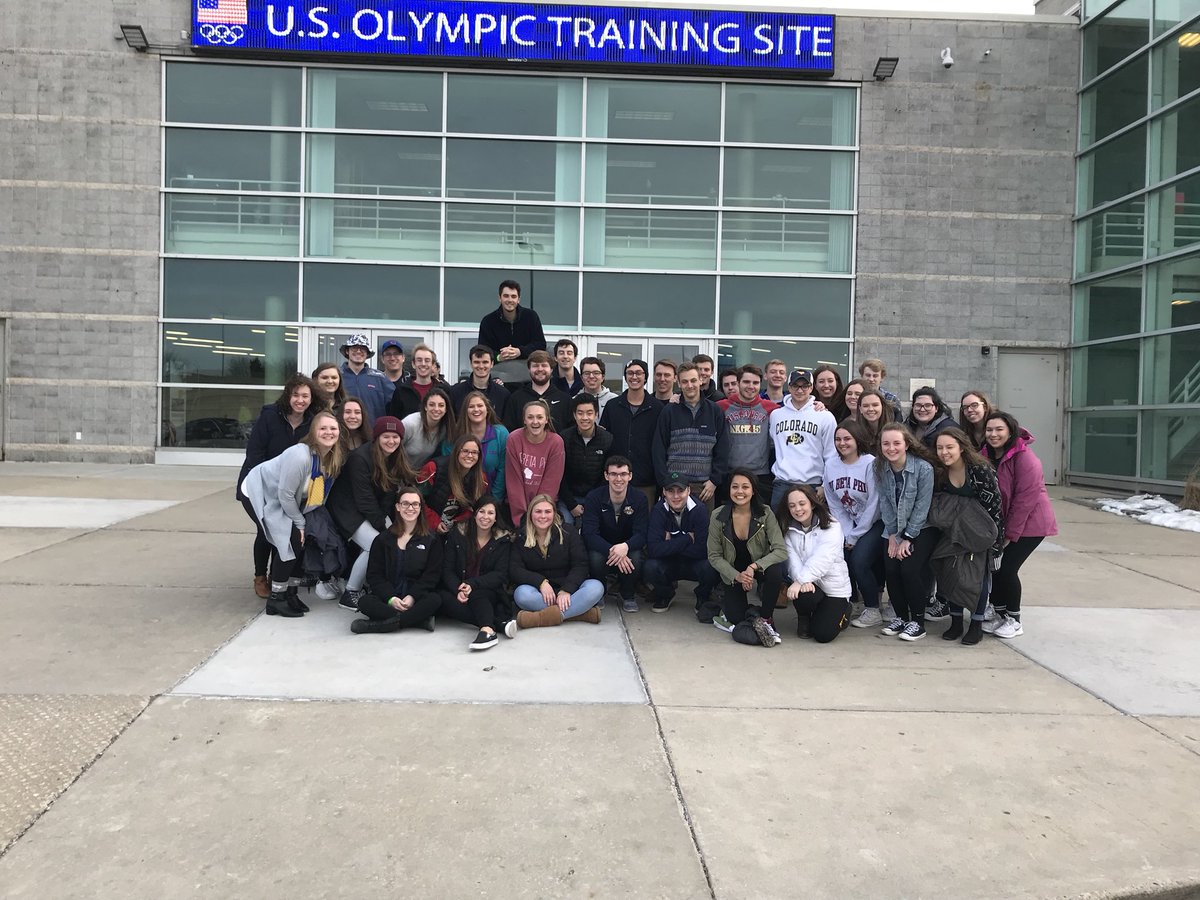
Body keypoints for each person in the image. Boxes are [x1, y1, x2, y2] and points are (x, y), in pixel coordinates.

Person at [240, 410, 345, 618]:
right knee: (290, 540)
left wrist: (305, 521)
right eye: (322, 428)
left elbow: (318, 494)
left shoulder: (333, 457)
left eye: (333, 428)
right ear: (313, 432)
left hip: (291, 501)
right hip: (260, 492)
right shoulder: (300, 455)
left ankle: (291, 592)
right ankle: (276, 599)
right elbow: (285, 495)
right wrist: (300, 524)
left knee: (301, 542)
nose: (328, 432)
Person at [326, 415, 419, 611]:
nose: (391, 441)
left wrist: (387, 522)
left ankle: (367, 583)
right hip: (347, 509)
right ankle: (350, 592)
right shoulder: (359, 458)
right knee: (375, 544)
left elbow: (388, 492)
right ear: (376, 437)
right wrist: (381, 525)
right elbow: (364, 499)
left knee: (387, 538)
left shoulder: (395, 457)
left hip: (369, 508)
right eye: (386, 436)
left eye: (395, 437)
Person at [237, 374, 316, 599]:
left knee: (285, 531)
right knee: (267, 530)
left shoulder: (311, 422)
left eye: (305, 396)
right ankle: (260, 576)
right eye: (296, 395)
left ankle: (277, 576)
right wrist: (271, 484)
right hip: (258, 484)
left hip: (288, 488)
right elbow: (254, 453)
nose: (300, 400)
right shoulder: (271, 416)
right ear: (288, 396)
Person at [982, 411, 1058, 639]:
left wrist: (1009, 534)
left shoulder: (1025, 458)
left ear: (1010, 431)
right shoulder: (985, 455)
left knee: (1006, 568)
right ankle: (999, 613)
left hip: (1031, 524)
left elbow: (1025, 500)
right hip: (1003, 524)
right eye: (989, 430)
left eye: (999, 430)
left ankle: (1014, 619)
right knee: (994, 567)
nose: (993, 434)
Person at [931, 427, 1004, 645]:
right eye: (940, 448)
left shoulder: (980, 470)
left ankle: (976, 624)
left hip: (979, 533)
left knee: (976, 579)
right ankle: (955, 622)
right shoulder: (940, 472)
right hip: (952, 532)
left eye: (950, 447)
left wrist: (996, 545)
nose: (944, 452)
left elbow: (995, 509)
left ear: (962, 447)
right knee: (951, 574)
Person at [707, 469, 788, 647]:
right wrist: (737, 575)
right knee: (737, 618)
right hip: (733, 572)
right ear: (729, 490)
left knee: (776, 570)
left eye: (745, 487)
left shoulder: (765, 513)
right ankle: (736, 613)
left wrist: (753, 567)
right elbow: (713, 556)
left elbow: (781, 550)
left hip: (758, 567)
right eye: (735, 487)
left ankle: (766, 618)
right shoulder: (718, 516)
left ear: (753, 491)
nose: (740, 491)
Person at [349, 488, 443, 634]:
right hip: (388, 600)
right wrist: (391, 598)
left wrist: (412, 597)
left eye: (415, 504)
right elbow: (374, 576)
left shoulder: (432, 539)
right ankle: (417, 620)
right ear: (398, 507)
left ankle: (378, 625)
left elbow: (432, 576)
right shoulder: (382, 540)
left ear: (420, 508)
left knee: (435, 600)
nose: (410, 508)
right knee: (364, 602)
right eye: (405, 503)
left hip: (416, 599)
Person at [875, 423, 937, 641]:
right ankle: (901, 617)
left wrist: (907, 538)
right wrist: (893, 535)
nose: (891, 448)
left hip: (921, 529)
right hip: (893, 529)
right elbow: (885, 502)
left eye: (896, 443)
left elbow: (922, 506)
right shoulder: (880, 467)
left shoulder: (923, 469)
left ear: (907, 444)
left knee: (909, 571)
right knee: (891, 569)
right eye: (886, 443)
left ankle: (917, 622)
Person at [825, 421, 887, 629]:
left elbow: (874, 504)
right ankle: (853, 601)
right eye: (838, 439)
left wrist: (855, 535)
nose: (842, 443)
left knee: (860, 560)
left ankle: (872, 609)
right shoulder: (831, 465)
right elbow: (835, 504)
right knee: (843, 556)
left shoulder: (871, 463)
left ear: (857, 439)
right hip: (848, 523)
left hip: (876, 522)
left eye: (847, 438)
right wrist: (845, 533)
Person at [509, 495, 604, 627]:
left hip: (569, 590)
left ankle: (540, 618)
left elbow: (580, 565)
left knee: (596, 587)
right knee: (521, 595)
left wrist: (567, 590)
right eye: (538, 511)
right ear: (531, 513)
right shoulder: (521, 536)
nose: (543, 516)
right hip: (539, 593)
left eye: (547, 511)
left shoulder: (568, 532)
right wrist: (541, 582)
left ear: (554, 513)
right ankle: (579, 613)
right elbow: (515, 569)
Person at [440, 497, 517, 651]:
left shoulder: (502, 540)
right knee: (441, 598)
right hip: (461, 589)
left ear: (496, 518)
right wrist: (458, 589)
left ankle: (487, 631)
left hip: (489, 591)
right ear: (474, 514)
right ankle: (498, 625)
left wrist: (472, 585)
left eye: (490, 513)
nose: (485, 517)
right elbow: (447, 569)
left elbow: (500, 574)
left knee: (477, 595)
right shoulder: (458, 534)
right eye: (481, 511)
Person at [780, 485, 853, 643]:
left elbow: (823, 559)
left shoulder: (832, 525)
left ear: (812, 503)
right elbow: (792, 561)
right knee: (802, 594)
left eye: (802, 503)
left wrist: (800, 581)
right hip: (810, 586)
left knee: (822, 635)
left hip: (834, 589)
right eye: (792, 506)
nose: (797, 509)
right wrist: (802, 581)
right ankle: (804, 617)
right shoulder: (789, 529)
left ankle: (844, 611)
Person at [652, 361, 729, 504]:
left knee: (703, 526)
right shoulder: (669, 411)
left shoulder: (715, 411)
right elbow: (658, 449)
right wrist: (665, 482)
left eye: (693, 380)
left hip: (705, 488)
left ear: (700, 380)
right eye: (685, 381)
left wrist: (714, 481)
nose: (690, 385)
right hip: (674, 487)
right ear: (679, 384)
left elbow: (723, 449)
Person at [581, 456, 648, 613]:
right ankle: (599, 593)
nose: (619, 479)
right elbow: (589, 534)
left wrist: (626, 547)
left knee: (636, 557)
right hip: (602, 546)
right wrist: (613, 550)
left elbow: (642, 533)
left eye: (623, 474)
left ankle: (628, 595)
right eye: (614, 474)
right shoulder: (594, 497)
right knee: (595, 557)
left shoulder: (639, 498)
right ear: (606, 476)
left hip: (628, 546)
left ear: (630, 476)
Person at [644, 474, 718, 615]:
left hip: (694, 563)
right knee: (650, 566)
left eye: (680, 491)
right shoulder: (658, 510)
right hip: (669, 563)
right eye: (671, 491)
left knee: (711, 565)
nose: (676, 496)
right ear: (664, 492)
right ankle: (666, 594)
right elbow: (653, 549)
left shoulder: (700, 510)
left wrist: (669, 543)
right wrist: (687, 539)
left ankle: (703, 596)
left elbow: (703, 550)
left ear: (688, 491)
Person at [768, 368, 837, 508]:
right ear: (789, 387)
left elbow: (832, 454)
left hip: (812, 484)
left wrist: (825, 485)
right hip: (782, 483)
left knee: (813, 528)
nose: (800, 390)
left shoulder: (825, 416)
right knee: (778, 529)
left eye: (804, 386)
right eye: (795, 386)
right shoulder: (776, 415)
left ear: (811, 388)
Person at [601, 359, 665, 509]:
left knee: (643, 524)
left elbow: (661, 444)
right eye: (630, 373)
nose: (634, 377)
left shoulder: (657, 408)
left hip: (646, 481)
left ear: (646, 377)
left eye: (638, 373)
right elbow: (603, 440)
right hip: (616, 479)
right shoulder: (613, 406)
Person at [718, 364, 777, 506]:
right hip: (730, 474)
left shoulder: (772, 408)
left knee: (760, 519)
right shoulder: (720, 407)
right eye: (746, 382)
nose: (751, 386)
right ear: (738, 383)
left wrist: (815, 404)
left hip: (760, 475)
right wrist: (677, 397)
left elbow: (795, 410)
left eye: (755, 383)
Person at [505, 398, 565, 525]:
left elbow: (551, 483)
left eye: (539, 417)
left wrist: (538, 513)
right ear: (524, 420)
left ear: (546, 419)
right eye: (530, 417)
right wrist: (522, 520)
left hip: (544, 509)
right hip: (517, 507)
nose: (535, 422)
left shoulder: (556, 442)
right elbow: (513, 481)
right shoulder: (514, 439)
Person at [557, 394, 613, 525]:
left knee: (593, 530)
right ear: (574, 415)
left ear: (596, 415)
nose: (585, 418)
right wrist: (571, 505)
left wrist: (592, 501)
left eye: (589, 413)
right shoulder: (564, 438)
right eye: (580, 413)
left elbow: (607, 476)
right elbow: (559, 475)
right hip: (568, 499)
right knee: (565, 528)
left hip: (596, 498)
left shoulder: (607, 439)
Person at [421, 434, 490, 535]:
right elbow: (416, 500)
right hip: (425, 526)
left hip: (456, 530)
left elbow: (475, 508)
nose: (470, 456)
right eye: (465, 451)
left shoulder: (481, 479)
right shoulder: (433, 468)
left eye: (474, 452)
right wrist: (434, 523)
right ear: (457, 451)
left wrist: (458, 522)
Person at [446, 391, 508, 502]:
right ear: (465, 411)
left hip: (493, 499)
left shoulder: (501, 434)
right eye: (471, 406)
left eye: (480, 405)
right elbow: (448, 467)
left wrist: (494, 501)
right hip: (461, 499)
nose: (476, 409)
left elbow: (503, 469)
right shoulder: (455, 435)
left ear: (487, 409)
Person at [477, 279, 546, 363]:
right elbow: (482, 350)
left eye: (513, 296)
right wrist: (499, 357)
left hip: (527, 368)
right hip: (498, 369)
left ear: (518, 299)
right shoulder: (488, 321)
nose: (510, 300)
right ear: (499, 298)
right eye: (506, 296)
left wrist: (519, 351)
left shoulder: (531, 316)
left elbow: (541, 344)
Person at [503, 350, 571, 433]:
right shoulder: (516, 398)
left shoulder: (565, 400)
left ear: (551, 369)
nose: (540, 369)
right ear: (529, 369)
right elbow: (509, 430)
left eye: (544, 365)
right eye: (535, 365)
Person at [448, 344, 511, 422]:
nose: (481, 366)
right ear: (471, 364)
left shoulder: (503, 395)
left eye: (485, 362)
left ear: (491, 364)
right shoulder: (456, 392)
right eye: (477, 362)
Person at [338, 334, 391, 424]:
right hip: (341, 433)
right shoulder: (336, 376)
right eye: (354, 348)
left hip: (372, 434)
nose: (359, 351)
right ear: (347, 351)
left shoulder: (380, 378)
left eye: (363, 348)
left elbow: (393, 407)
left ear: (367, 353)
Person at [401, 386, 455, 468]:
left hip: (419, 474)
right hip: (397, 472)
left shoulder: (445, 428)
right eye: (432, 405)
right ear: (425, 407)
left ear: (446, 409)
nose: (436, 409)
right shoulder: (410, 423)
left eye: (441, 405)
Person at [387, 343, 440, 420]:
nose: (423, 364)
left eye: (427, 360)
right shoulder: (401, 391)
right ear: (413, 364)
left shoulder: (443, 390)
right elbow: (395, 421)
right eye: (419, 360)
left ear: (433, 365)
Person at [856, 387, 894, 453]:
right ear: (860, 409)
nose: (870, 409)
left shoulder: (894, 432)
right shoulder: (856, 433)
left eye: (875, 405)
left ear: (882, 406)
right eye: (865, 406)